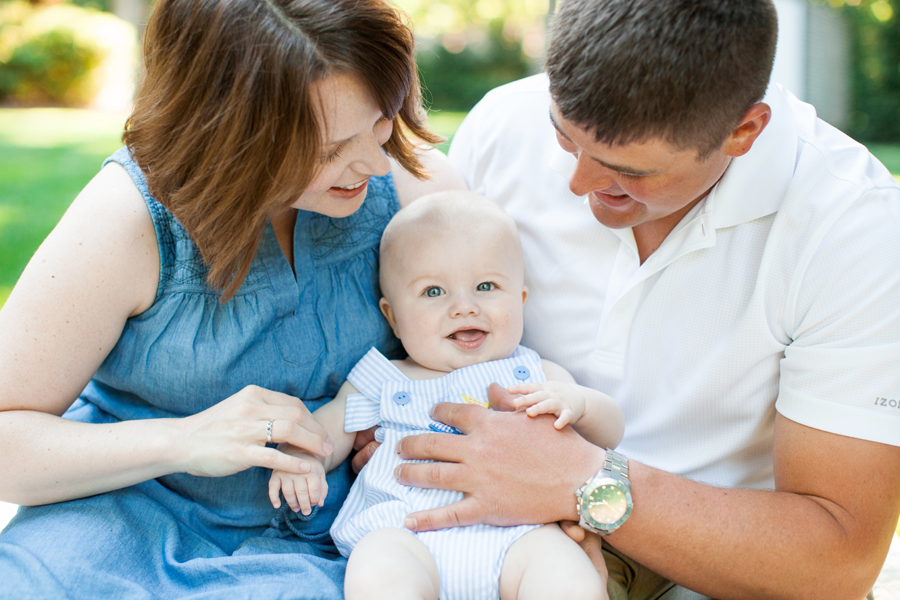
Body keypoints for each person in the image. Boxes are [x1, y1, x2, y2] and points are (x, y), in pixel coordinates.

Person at [384, 1, 900, 599]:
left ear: (743, 131)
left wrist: (583, 484)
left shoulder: (853, 230)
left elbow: (836, 560)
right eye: (562, 135)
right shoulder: (505, 125)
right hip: (484, 546)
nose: (577, 182)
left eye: (626, 170)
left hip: (717, 575)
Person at [0, 0, 463, 597]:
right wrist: (185, 440)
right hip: (122, 527)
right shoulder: (128, 219)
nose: (375, 163)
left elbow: (493, 360)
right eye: (329, 150)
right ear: (229, 136)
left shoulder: (417, 193)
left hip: (348, 539)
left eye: (382, 123)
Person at [268, 190, 624, 600]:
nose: (464, 307)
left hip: (521, 536)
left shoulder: (535, 373)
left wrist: (578, 404)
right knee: (379, 569)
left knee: (566, 576)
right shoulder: (382, 378)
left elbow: (609, 433)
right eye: (434, 292)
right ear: (393, 317)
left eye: (486, 286)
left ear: (521, 299)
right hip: (407, 532)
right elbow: (326, 431)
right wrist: (302, 459)